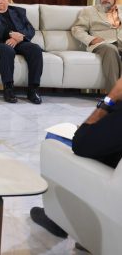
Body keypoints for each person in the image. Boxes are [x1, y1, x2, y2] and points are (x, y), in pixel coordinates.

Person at [31, 76, 122, 239]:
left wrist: (111, 97)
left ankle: (57, 219)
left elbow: (80, 143)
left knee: (55, 138)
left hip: (111, 178)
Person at [71, 0, 122, 91]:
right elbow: (77, 29)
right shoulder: (89, 11)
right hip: (104, 44)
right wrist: (91, 40)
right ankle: (114, 95)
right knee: (111, 49)